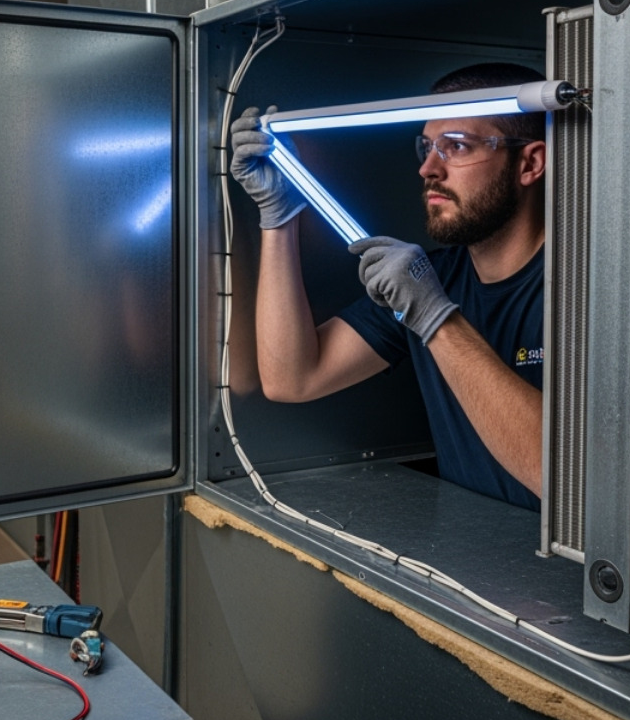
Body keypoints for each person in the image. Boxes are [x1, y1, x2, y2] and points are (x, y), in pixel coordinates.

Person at [230, 62, 548, 510]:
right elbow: (292, 378)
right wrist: (279, 218)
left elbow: (562, 478)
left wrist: (436, 319)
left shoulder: (579, 288)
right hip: (478, 556)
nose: (428, 169)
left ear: (530, 162)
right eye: (427, 146)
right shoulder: (431, 280)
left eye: (455, 146)